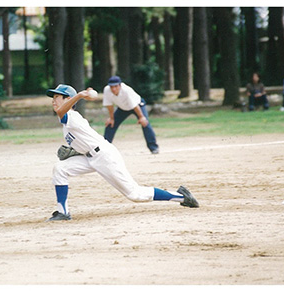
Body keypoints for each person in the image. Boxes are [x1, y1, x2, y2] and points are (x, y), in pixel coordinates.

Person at [45, 84, 199, 221]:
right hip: (90, 157)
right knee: (60, 168)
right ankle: (63, 212)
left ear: (68, 99)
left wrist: (79, 95)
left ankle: (181, 196)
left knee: (135, 194)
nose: (53, 100)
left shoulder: (70, 116)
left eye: (57, 96)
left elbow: (61, 112)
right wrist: (76, 151)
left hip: (104, 157)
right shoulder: (67, 119)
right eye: (53, 97)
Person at [103, 76, 159, 154]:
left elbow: (135, 106)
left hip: (137, 106)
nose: (114, 89)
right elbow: (109, 105)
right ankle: (105, 149)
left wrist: (141, 117)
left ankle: (153, 148)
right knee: (110, 124)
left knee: (145, 123)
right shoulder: (107, 90)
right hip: (123, 108)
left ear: (120, 85)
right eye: (112, 87)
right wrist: (111, 118)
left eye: (116, 86)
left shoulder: (126, 90)